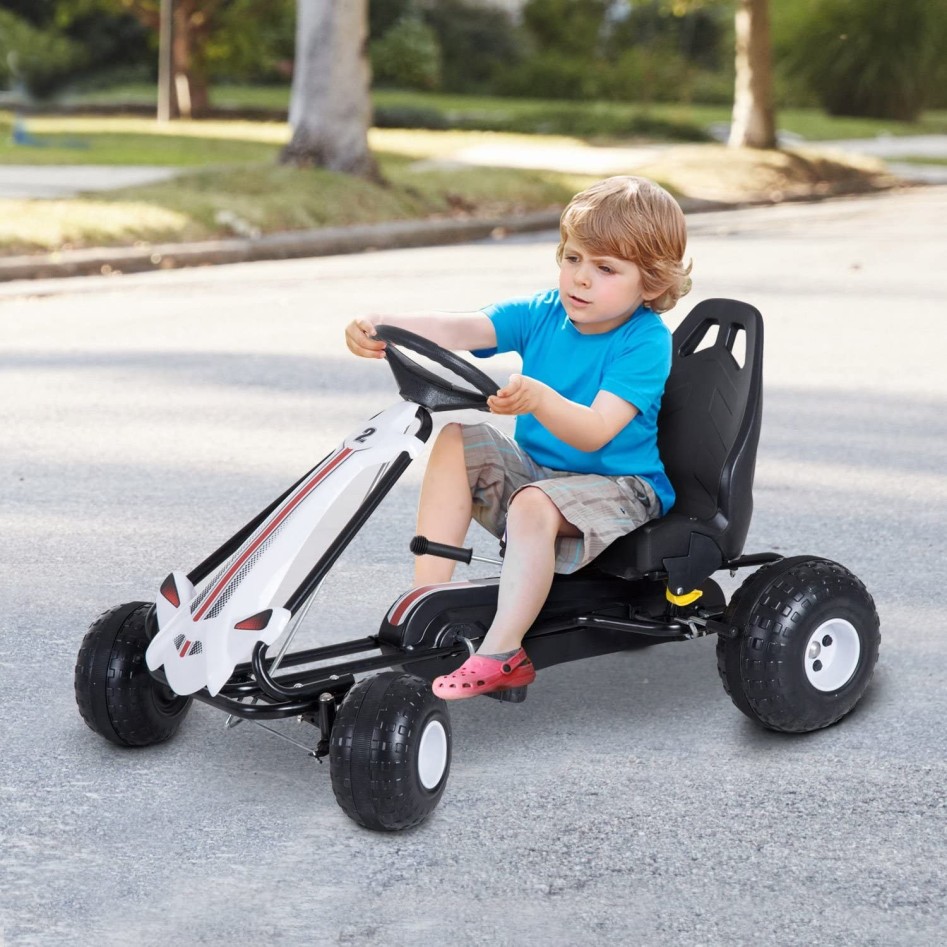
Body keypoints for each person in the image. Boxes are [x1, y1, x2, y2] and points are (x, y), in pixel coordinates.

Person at [344, 175, 691, 701]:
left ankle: (504, 652)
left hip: (622, 488)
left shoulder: (645, 341)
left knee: (533, 501)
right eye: (573, 258)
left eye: (605, 268)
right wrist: (381, 323)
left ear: (650, 283)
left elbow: (595, 432)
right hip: (545, 480)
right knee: (456, 439)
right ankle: (428, 600)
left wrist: (540, 399)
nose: (581, 278)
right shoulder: (543, 312)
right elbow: (460, 328)